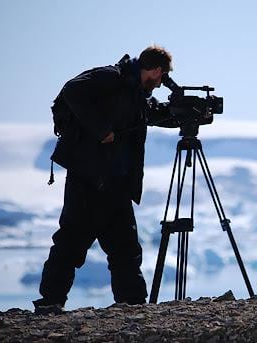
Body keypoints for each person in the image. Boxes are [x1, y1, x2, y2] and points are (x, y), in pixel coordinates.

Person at [33, 45, 178, 312]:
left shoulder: (136, 94)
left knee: (126, 249)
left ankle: (132, 307)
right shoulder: (111, 77)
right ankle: (50, 303)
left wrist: (184, 112)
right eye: (161, 78)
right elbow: (72, 90)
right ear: (156, 71)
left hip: (117, 183)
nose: (160, 84)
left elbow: (150, 114)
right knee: (71, 242)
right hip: (89, 179)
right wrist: (101, 130)